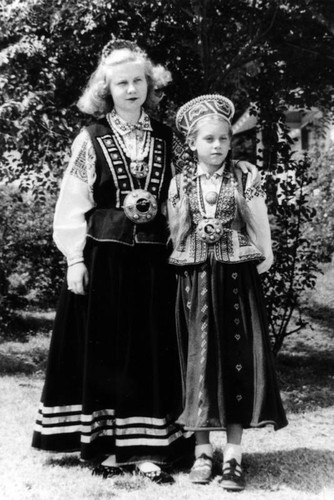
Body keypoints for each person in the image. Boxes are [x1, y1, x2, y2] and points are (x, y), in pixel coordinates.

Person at [31, 40, 258, 483]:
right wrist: (73, 260)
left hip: (156, 262)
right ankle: (105, 450)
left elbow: (201, 177)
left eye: (139, 81)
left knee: (149, 350)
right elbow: (72, 200)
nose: (131, 89)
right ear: (106, 88)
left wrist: (242, 169)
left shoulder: (166, 136)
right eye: (122, 83)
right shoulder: (91, 137)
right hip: (104, 259)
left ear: (149, 86)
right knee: (107, 350)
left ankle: (149, 448)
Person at [168, 94, 288, 491]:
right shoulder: (180, 182)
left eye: (223, 138)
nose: (217, 146)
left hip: (236, 278)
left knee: (237, 358)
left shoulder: (244, 176)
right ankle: (203, 453)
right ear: (192, 144)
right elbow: (176, 232)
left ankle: (233, 457)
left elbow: (258, 221)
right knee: (199, 360)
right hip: (197, 279)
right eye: (208, 140)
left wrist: (263, 257)